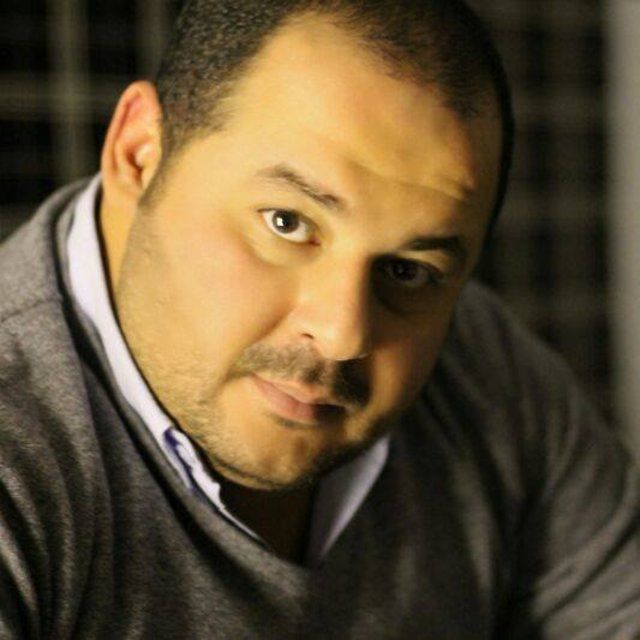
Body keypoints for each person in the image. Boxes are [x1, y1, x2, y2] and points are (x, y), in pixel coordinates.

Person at [0, 0, 639, 637]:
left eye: (407, 269)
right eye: (287, 222)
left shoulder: (487, 375)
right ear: (139, 154)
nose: (342, 335)